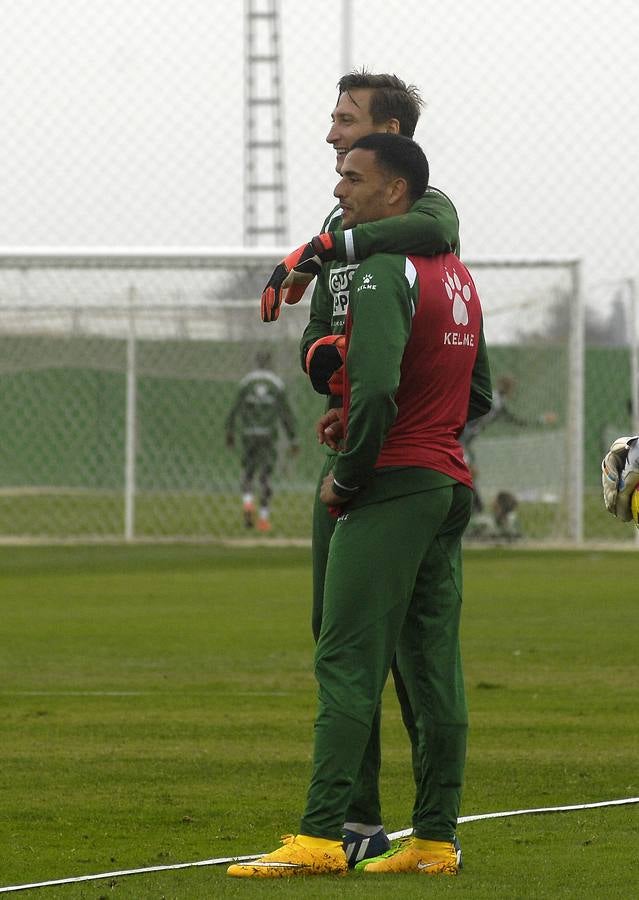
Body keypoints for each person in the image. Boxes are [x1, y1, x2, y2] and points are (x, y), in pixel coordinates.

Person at [228, 134, 491, 878]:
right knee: (433, 667)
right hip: (445, 482)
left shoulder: (378, 270)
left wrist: (348, 473)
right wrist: (415, 422)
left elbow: (373, 390)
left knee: (346, 659)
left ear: (394, 192)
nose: (338, 188)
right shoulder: (459, 276)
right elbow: (476, 391)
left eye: (352, 176)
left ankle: (321, 836)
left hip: (389, 483)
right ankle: (435, 841)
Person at [224, 350, 298, 532]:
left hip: (248, 434)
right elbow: (285, 414)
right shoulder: (276, 384)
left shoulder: (246, 383)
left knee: (248, 473)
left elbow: (234, 410)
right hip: (267, 435)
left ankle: (248, 503)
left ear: (256, 362)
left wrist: (230, 432)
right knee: (265, 476)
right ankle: (264, 518)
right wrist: (293, 438)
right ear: (270, 363)